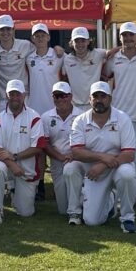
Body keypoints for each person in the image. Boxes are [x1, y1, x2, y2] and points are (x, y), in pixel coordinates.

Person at [64, 81, 136, 233]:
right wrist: (103, 158)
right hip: (92, 169)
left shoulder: (123, 118)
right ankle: (76, 211)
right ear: (90, 99)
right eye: (95, 96)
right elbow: (76, 152)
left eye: (103, 96)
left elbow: (129, 154)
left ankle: (127, 218)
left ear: (110, 98)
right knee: (92, 221)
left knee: (128, 174)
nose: (99, 100)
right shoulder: (80, 120)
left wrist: (103, 164)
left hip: (117, 165)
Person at [103, 22, 136, 209]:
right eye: (124, 35)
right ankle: (118, 195)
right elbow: (105, 74)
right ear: (120, 38)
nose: (128, 38)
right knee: (118, 157)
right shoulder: (113, 58)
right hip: (119, 116)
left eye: (132, 35)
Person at [0, 79, 46, 224]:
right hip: (5, 163)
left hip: (26, 169)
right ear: (6, 95)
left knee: (25, 213)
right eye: (12, 94)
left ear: (24, 95)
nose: (15, 97)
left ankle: (13, 189)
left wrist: (15, 156)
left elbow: (38, 146)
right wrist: (13, 163)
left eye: (18, 94)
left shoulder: (34, 117)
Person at [26, 22, 64, 200]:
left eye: (43, 35)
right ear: (32, 39)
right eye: (37, 36)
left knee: (57, 149)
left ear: (48, 37)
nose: (40, 38)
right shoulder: (28, 58)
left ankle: (60, 185)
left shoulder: (59, 56)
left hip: (55, 110)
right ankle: (40, 186)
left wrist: (59, 48)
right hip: (35, 111)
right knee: (39, 150)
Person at [41, 81, 84, 221]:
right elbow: (45, 143)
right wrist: (60, 157)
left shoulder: (82, 116)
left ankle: (84, 204)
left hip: (77, 161)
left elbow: (87, 142)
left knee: (72, 173)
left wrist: (74, 155)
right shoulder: (46, 117)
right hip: (57, 163)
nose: (60, 99)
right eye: (56, 96)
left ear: (70, 96)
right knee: (62, 210)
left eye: (63, 96)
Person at [62, 27, 109, 113]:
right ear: (72, 43)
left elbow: (114, 52)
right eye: (77, 41)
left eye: (83, 41)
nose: (80, 44)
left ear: (88, 41)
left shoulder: (98, 54)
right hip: (74, 106)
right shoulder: (67, 59)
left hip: (94, 104)